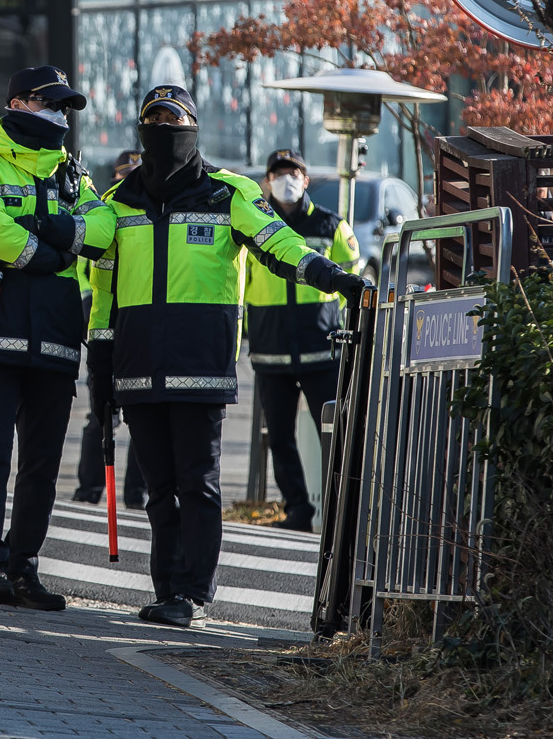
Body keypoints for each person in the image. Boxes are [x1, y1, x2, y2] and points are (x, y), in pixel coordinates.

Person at [87, 86, 366, 627]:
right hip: (137, 361)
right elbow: (101, 285)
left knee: (197, 482)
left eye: (174, 119)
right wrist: (100, 361)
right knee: (158, 489)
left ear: (193, 126)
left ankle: (192, 593)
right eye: (154, 120)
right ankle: (166, 587)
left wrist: (333, 277)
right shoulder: (117, 202)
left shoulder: (228, 192)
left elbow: (279, 243)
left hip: (201, 363)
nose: (164, 128)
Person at [0, 66, 115, 610]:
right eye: (50, 104)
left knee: (42, 464)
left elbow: (105, 230)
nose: (59, 116)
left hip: (56, 337)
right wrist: (57, 249)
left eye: (64, 107)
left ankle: (24, 568)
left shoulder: (75, 173)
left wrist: (53, 231)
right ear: (18, 103)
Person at [244, 148, 362, 531]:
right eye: (278, 173)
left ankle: (340, 510)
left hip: (320, 347)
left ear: (306, 179)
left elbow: (353, 276)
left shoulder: (332, 226)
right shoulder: (255, 227)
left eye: (293, 172)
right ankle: (298, 510)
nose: (286, 180)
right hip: (270, 348)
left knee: (334, 433)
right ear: (267, 180)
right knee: (280, 437)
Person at [74, 148, 145, 507]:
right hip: (103, 328)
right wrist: (87, 308)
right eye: (123, 174)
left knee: (143, 420)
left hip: (139, 331)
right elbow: (83, 272)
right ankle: (88, 491)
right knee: (102, 416)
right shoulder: (103, 215)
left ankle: (136, 493)